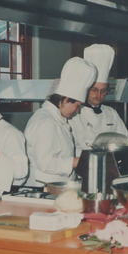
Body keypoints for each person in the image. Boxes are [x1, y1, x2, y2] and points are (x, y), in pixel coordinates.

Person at [24, 57, 97, 187]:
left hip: (56, 185)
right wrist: (78, 161)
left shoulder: (56, 119)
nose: (78, 111)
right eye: (78, 105)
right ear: (67, 100)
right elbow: (46, 162)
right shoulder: (46, 122)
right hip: (44, 187)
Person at [69, 44, 128, 155]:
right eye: (94, 90)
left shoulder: (111, 113)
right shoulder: (73, 114)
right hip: (83, 166)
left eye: (103, 91)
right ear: (86, 89)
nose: (99, 95)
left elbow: (125, 140)